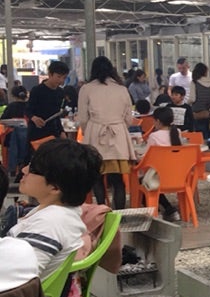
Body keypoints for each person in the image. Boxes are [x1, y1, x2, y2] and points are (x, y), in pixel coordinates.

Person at [7, 138, 102, 277]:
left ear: (55, 188)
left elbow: (18, 276)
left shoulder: (50, 224)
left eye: (33, 169)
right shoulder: (58, 213)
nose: (24, 170)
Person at [77, 56, 136, 209]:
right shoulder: (121, 89)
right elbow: (129, 118)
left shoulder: (86, 89)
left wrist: (88, 130)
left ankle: (101, 211)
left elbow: (82, 117)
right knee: (117, 180)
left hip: (95, 133)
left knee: (97, 177)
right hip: (118, 134)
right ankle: (120, 214)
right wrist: (120, 126)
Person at [143, 106, 183, 221]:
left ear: (158, 121)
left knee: (142, 182)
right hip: (179, 176)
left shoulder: (154, 136)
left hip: (160, 177)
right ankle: (168, 210)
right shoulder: (177, 132)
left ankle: (161, 210)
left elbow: (147, 158)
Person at [27, 61, 69, 145]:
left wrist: (61, 131)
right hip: (37, 132)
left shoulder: (60, 92)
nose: (61, 80)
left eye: (64, 78)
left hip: (53, 133)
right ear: (50, 74)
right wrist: (34, 118)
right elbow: (28, 110)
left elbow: (56, 115)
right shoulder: (37, 90)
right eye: (58, 77)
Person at [3, 85, 30, 179]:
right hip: (29, 137)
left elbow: (3, 120)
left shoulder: (11, 106)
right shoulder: (30, 106)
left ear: (13, 96)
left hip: (12, 137)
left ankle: (12, 170)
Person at [189, 62, 210, 136]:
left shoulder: (194, 82)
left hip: (198, 113)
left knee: (201, 136)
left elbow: (192, 99)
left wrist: (187, 103)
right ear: (205, 72)